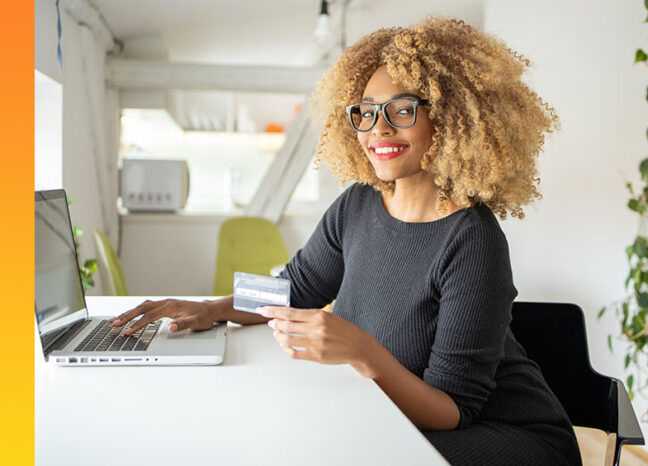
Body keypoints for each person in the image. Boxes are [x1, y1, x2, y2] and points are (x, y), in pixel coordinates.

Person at [110, 17, 582, 465]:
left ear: (450, 117)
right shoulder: (356, 206)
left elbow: (454, 409)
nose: (378, 128)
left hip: (504, 437)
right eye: (367, 111)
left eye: (401, 109)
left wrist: (360, 350)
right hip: (399, 418)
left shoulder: (473, 240)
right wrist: (212, 309)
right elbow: (292, 290)